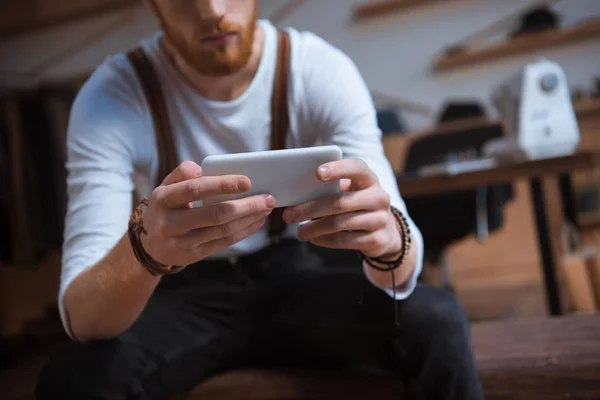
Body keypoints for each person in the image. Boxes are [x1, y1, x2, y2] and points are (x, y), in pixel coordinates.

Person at [35, 1, 484, 399]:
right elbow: (82, 316)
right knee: (72, 380)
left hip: (294, 278)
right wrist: (145, 252)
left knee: (437, 318)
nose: (211, 10)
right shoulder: (111, 97)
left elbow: (402, 257)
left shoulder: (317, 69)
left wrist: (388, 239)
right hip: (182, 296)